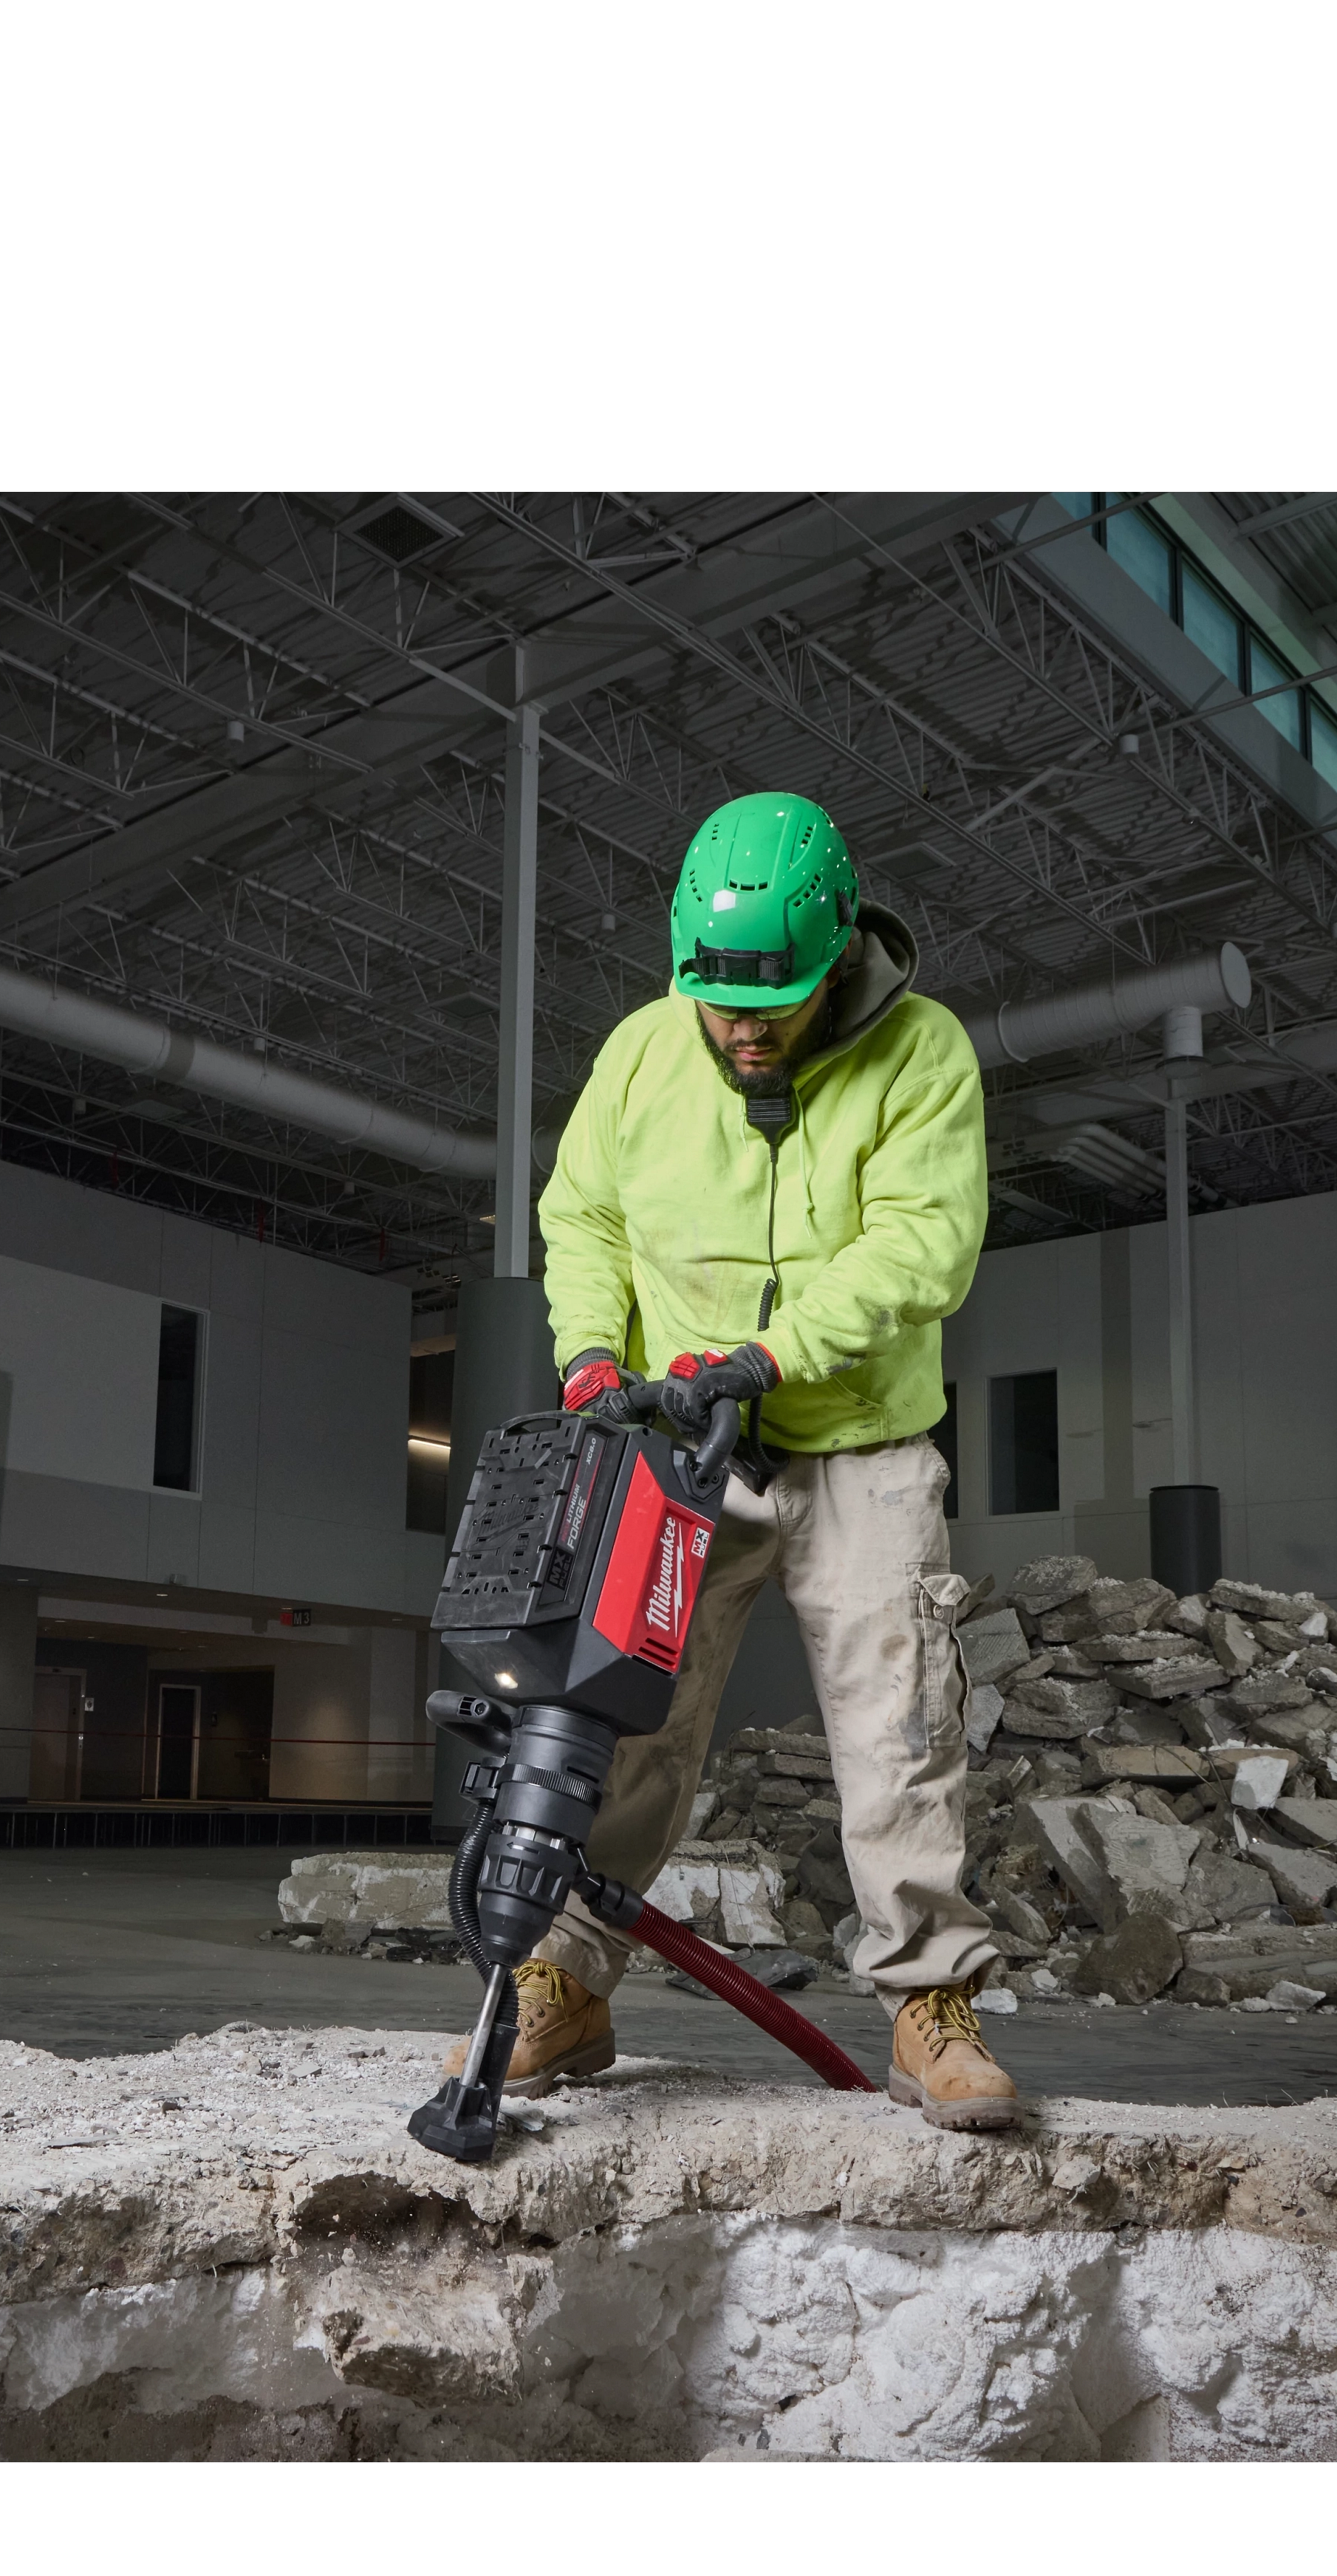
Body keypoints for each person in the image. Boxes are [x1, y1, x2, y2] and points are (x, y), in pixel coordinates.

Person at [513, 789, 1016, 2126]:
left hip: (862, 1451)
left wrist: (772, 1355)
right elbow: (584, 1217)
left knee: (902, 1729)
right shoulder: (641, 1055)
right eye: (719, 1001)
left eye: (774, 1003)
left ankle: (929, 2008)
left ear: (839, 954)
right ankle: (568, 1983)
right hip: (689, 1456)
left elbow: (923, 1245)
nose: (742, 1029)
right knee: (626, 1721)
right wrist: (589, 1355)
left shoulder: (920, 1052)